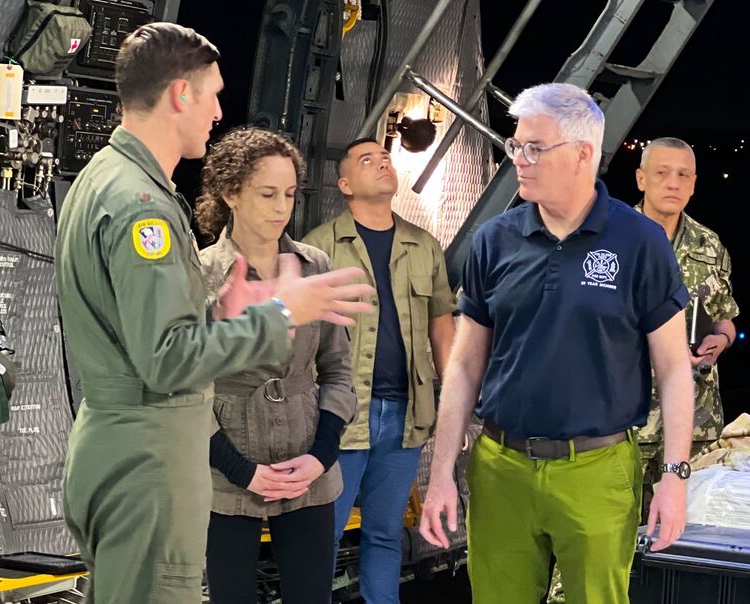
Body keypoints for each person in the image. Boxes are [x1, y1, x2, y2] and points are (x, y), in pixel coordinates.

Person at [55, 23, 372, 603]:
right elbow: (167, 358)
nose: (219, 110)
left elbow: (151, 335)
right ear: (181, 94)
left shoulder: (104, 181)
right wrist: (279, 311)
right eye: (214, 93)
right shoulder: (140, 205)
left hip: (128, 449)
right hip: (148, 461)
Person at [419, 83, 694, 604]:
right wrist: (440, 475)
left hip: (597, 470)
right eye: (515, 145)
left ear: (583, 153)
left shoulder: (640, 242)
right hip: (501, 468)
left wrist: (675, 477)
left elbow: (675, 368)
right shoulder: (494, 240)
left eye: (535, 148)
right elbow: (463, 366)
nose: (519, 160)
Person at [193, 127, 357, 604]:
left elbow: (338, 370)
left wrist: (321, 453)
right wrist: (236, 466)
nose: (282, 206)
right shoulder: (197, 272)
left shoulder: (314, 265)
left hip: (308, 468)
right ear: (231, 194)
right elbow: (183, 386)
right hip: (225, 476)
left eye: (289, 193)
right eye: (267, 193)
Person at [303, 138, 456, 603]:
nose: (382, 163)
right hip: (340, 414)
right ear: (345, 184)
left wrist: (454, 407)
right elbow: (300, 339)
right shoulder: (319, 246)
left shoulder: (424, 245)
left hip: (406, 415)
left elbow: (442, 330)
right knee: (320, 537)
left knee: (386, 535)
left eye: (385, 157)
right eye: (367, 160)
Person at [634, 136, 739, 516]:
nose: (673, 183)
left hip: (695, 424)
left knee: (685, 543)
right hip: (624, 423)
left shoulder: (709, 244)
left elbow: (725, 314)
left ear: (694, 184)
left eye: (683, 175)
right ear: (641, 179)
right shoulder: (612, 241)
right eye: (662, 173)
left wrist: (720, 340)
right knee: (606, 540)